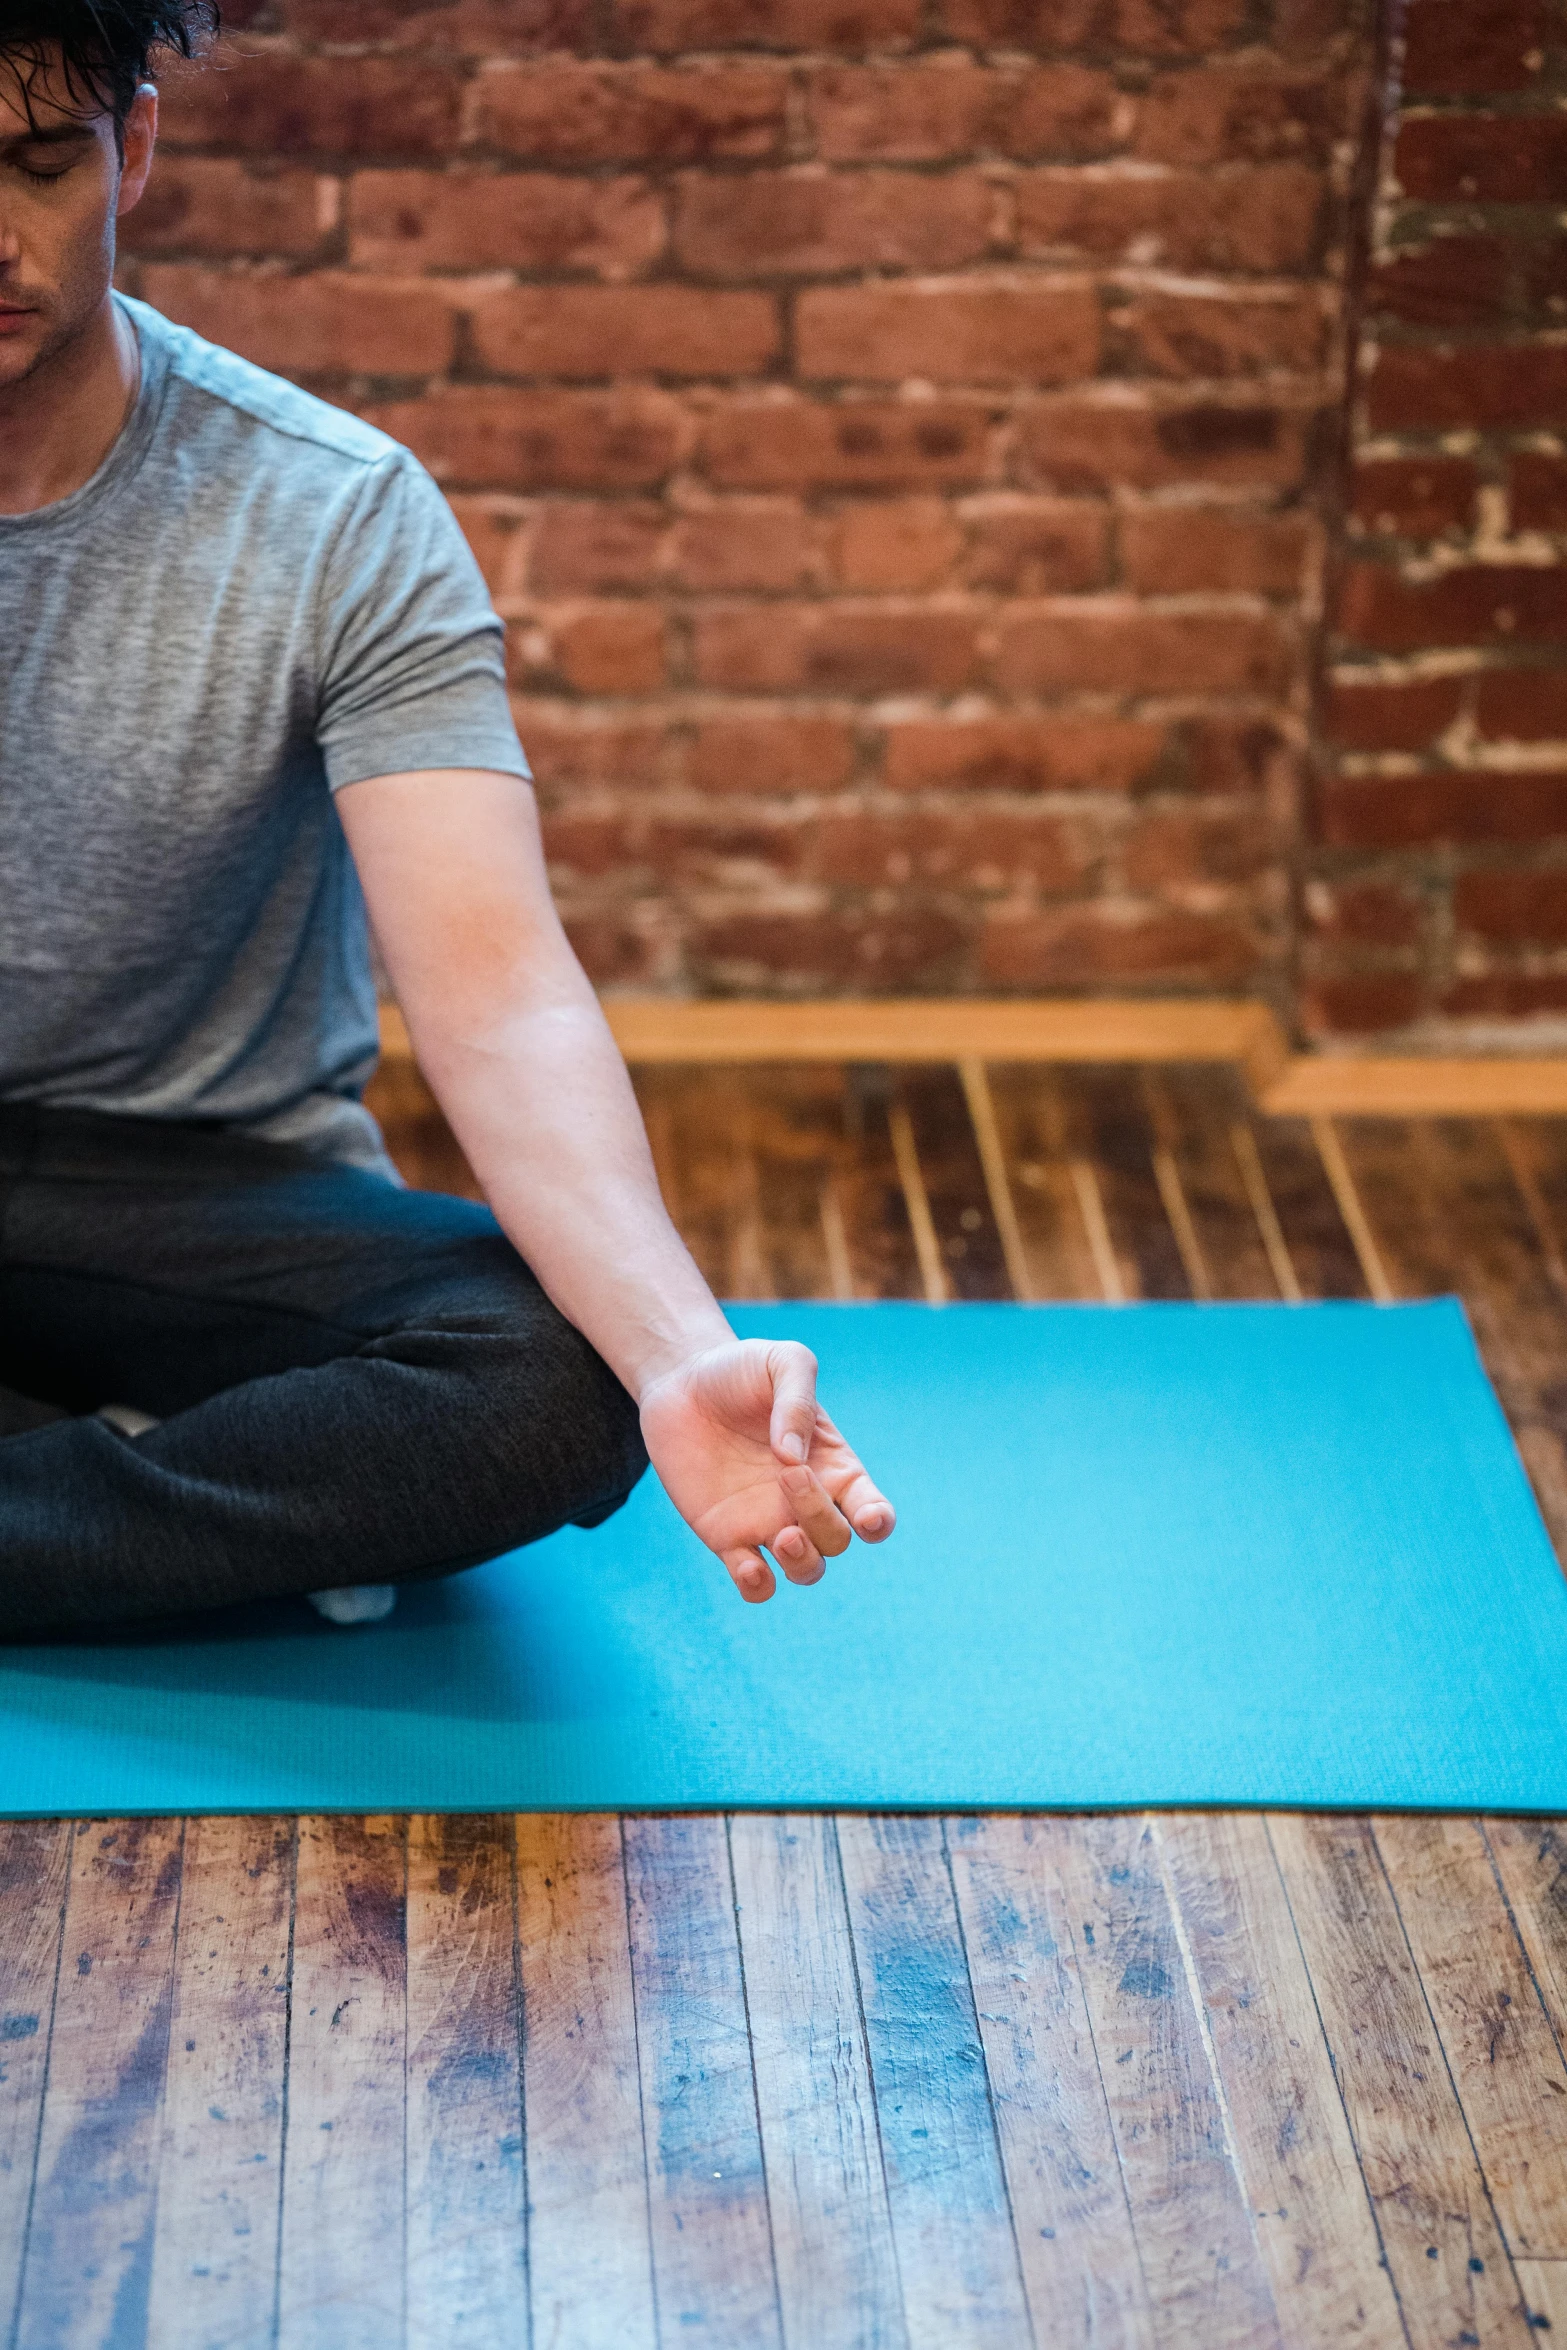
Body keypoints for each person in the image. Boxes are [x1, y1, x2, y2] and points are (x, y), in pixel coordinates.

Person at [0, 1, 894, 1637]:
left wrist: (680, 1352)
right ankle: (156, 1500)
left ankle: (88, 1465)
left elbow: (498, 996)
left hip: (203, 1194)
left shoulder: (333, 512)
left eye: (34, 162)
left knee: (554, 1379)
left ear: (128, 146)